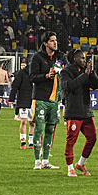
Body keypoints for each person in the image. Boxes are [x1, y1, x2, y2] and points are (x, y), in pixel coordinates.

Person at [60, 49, 98, 177]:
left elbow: (96, 85)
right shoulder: (65, 72)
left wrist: (91, 72)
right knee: (71, 140)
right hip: (73, 111)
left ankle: (81, 163)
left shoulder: (85, 71)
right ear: (74, 59)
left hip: (86, 110)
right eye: (82, 58)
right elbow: (70, 86)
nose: (84, 60)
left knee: (92, 138)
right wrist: (85, 75)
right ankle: (70, 168)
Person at [29, 31, 64, 170]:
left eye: (56, 40)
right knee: (39, 129)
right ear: (45, 43)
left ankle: (45, 160)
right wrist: (46, 76)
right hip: (41, 98)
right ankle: (37, 161)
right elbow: (32, 77)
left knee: (50, 129)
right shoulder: (37, 57)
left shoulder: (58, 57)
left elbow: (64, 65)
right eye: (52, 41)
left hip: (54, 99)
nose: (55, 43)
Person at [9, 58, 33, 149]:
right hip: (24, 100)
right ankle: (23, 142)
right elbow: (15, 86)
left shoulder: (37, 74)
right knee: (23, 121)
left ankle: (31, 143)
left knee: (32, 122)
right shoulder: (22, 73)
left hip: (34, 101)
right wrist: (11, 99)